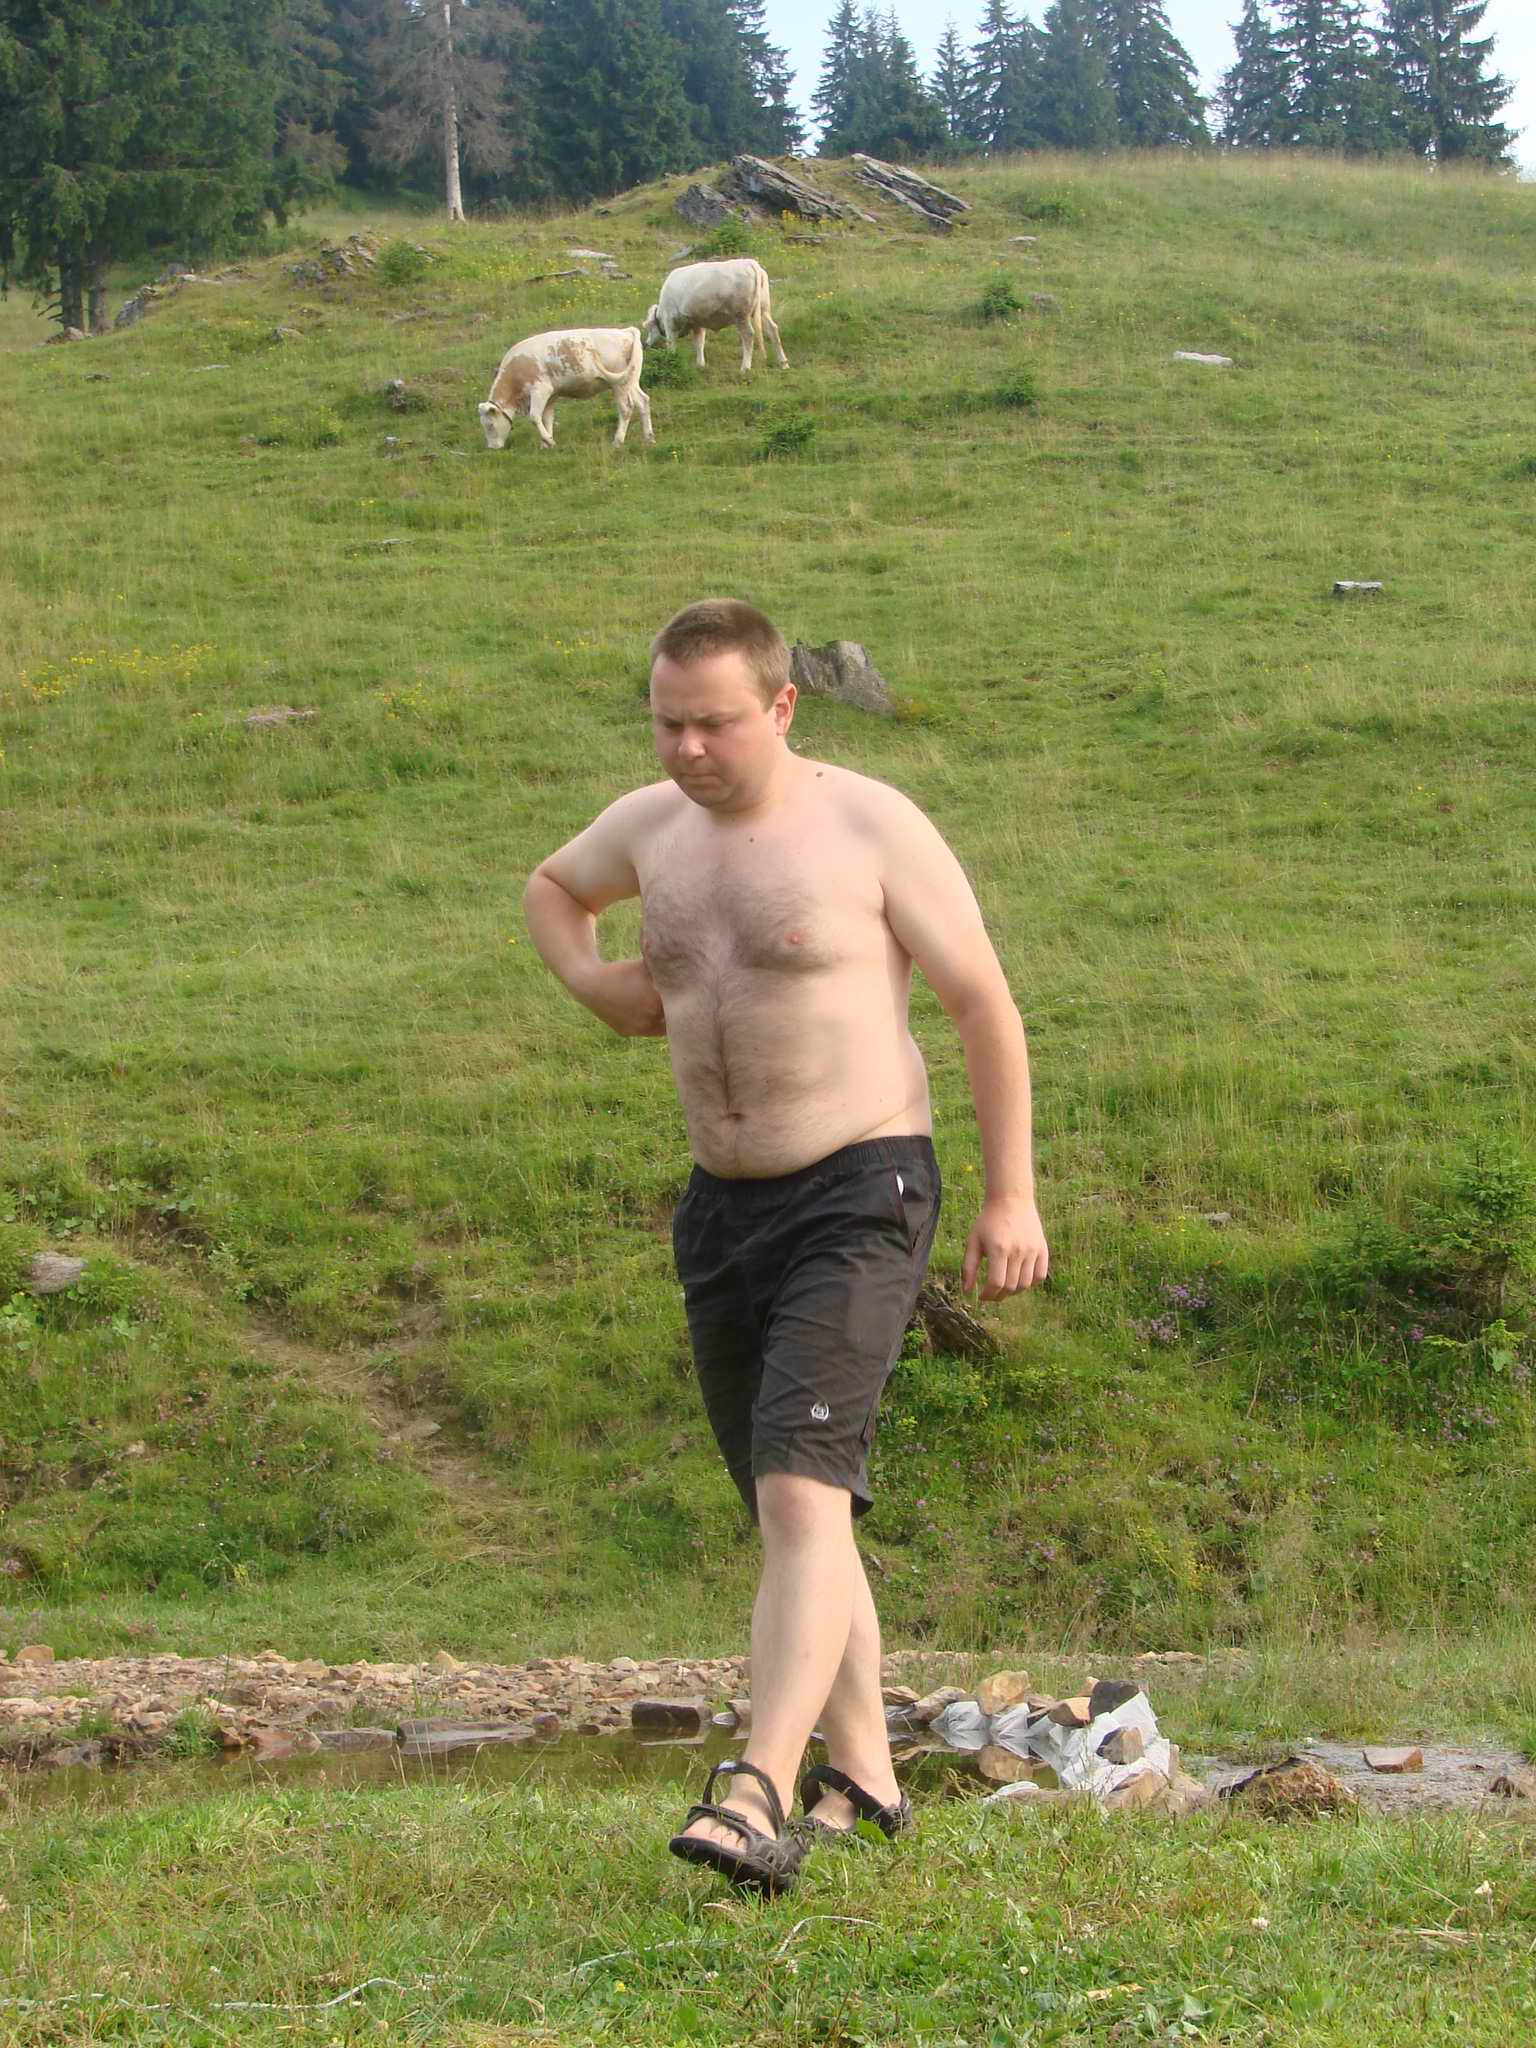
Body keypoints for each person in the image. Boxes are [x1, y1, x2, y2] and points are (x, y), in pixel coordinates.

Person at [523, 598, 1048, 1894]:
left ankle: (757, 1785)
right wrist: (592, 984)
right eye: (667, 725)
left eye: (714, 724)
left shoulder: (870, 825)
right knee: (786, 1502)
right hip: (722, 1207)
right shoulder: (650, 829)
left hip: (861, 1187)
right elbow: (554, 889)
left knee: (805, 1492)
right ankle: (865, 1775)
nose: (688, 750)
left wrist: (1012, 1198)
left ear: (783, 705)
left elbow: (983, 1003)